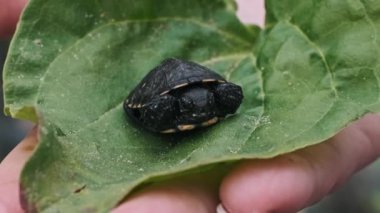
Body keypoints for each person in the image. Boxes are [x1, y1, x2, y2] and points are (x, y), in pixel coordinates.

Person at [0, 1, 379, 212]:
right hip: (164, 92)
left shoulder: (216, 95)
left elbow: (228, 94)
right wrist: (154, 112)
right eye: (195, 105)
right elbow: (146, 107)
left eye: (208, 102)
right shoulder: (173, 104)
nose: (201, 108)